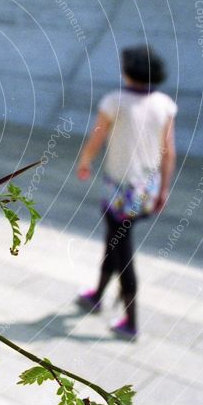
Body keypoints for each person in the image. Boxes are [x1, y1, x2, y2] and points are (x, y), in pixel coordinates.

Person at [74, 45, 177, 340]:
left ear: (128, 71)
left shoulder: (115, 101)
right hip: (147, 187)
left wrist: (84, 161)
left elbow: (97, 137)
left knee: (121, 249)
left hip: (120, 189)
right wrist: (164, 189)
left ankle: (131, 322)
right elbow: (169, 152)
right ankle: (97, 295)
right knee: (113, 238)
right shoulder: (164, 104)